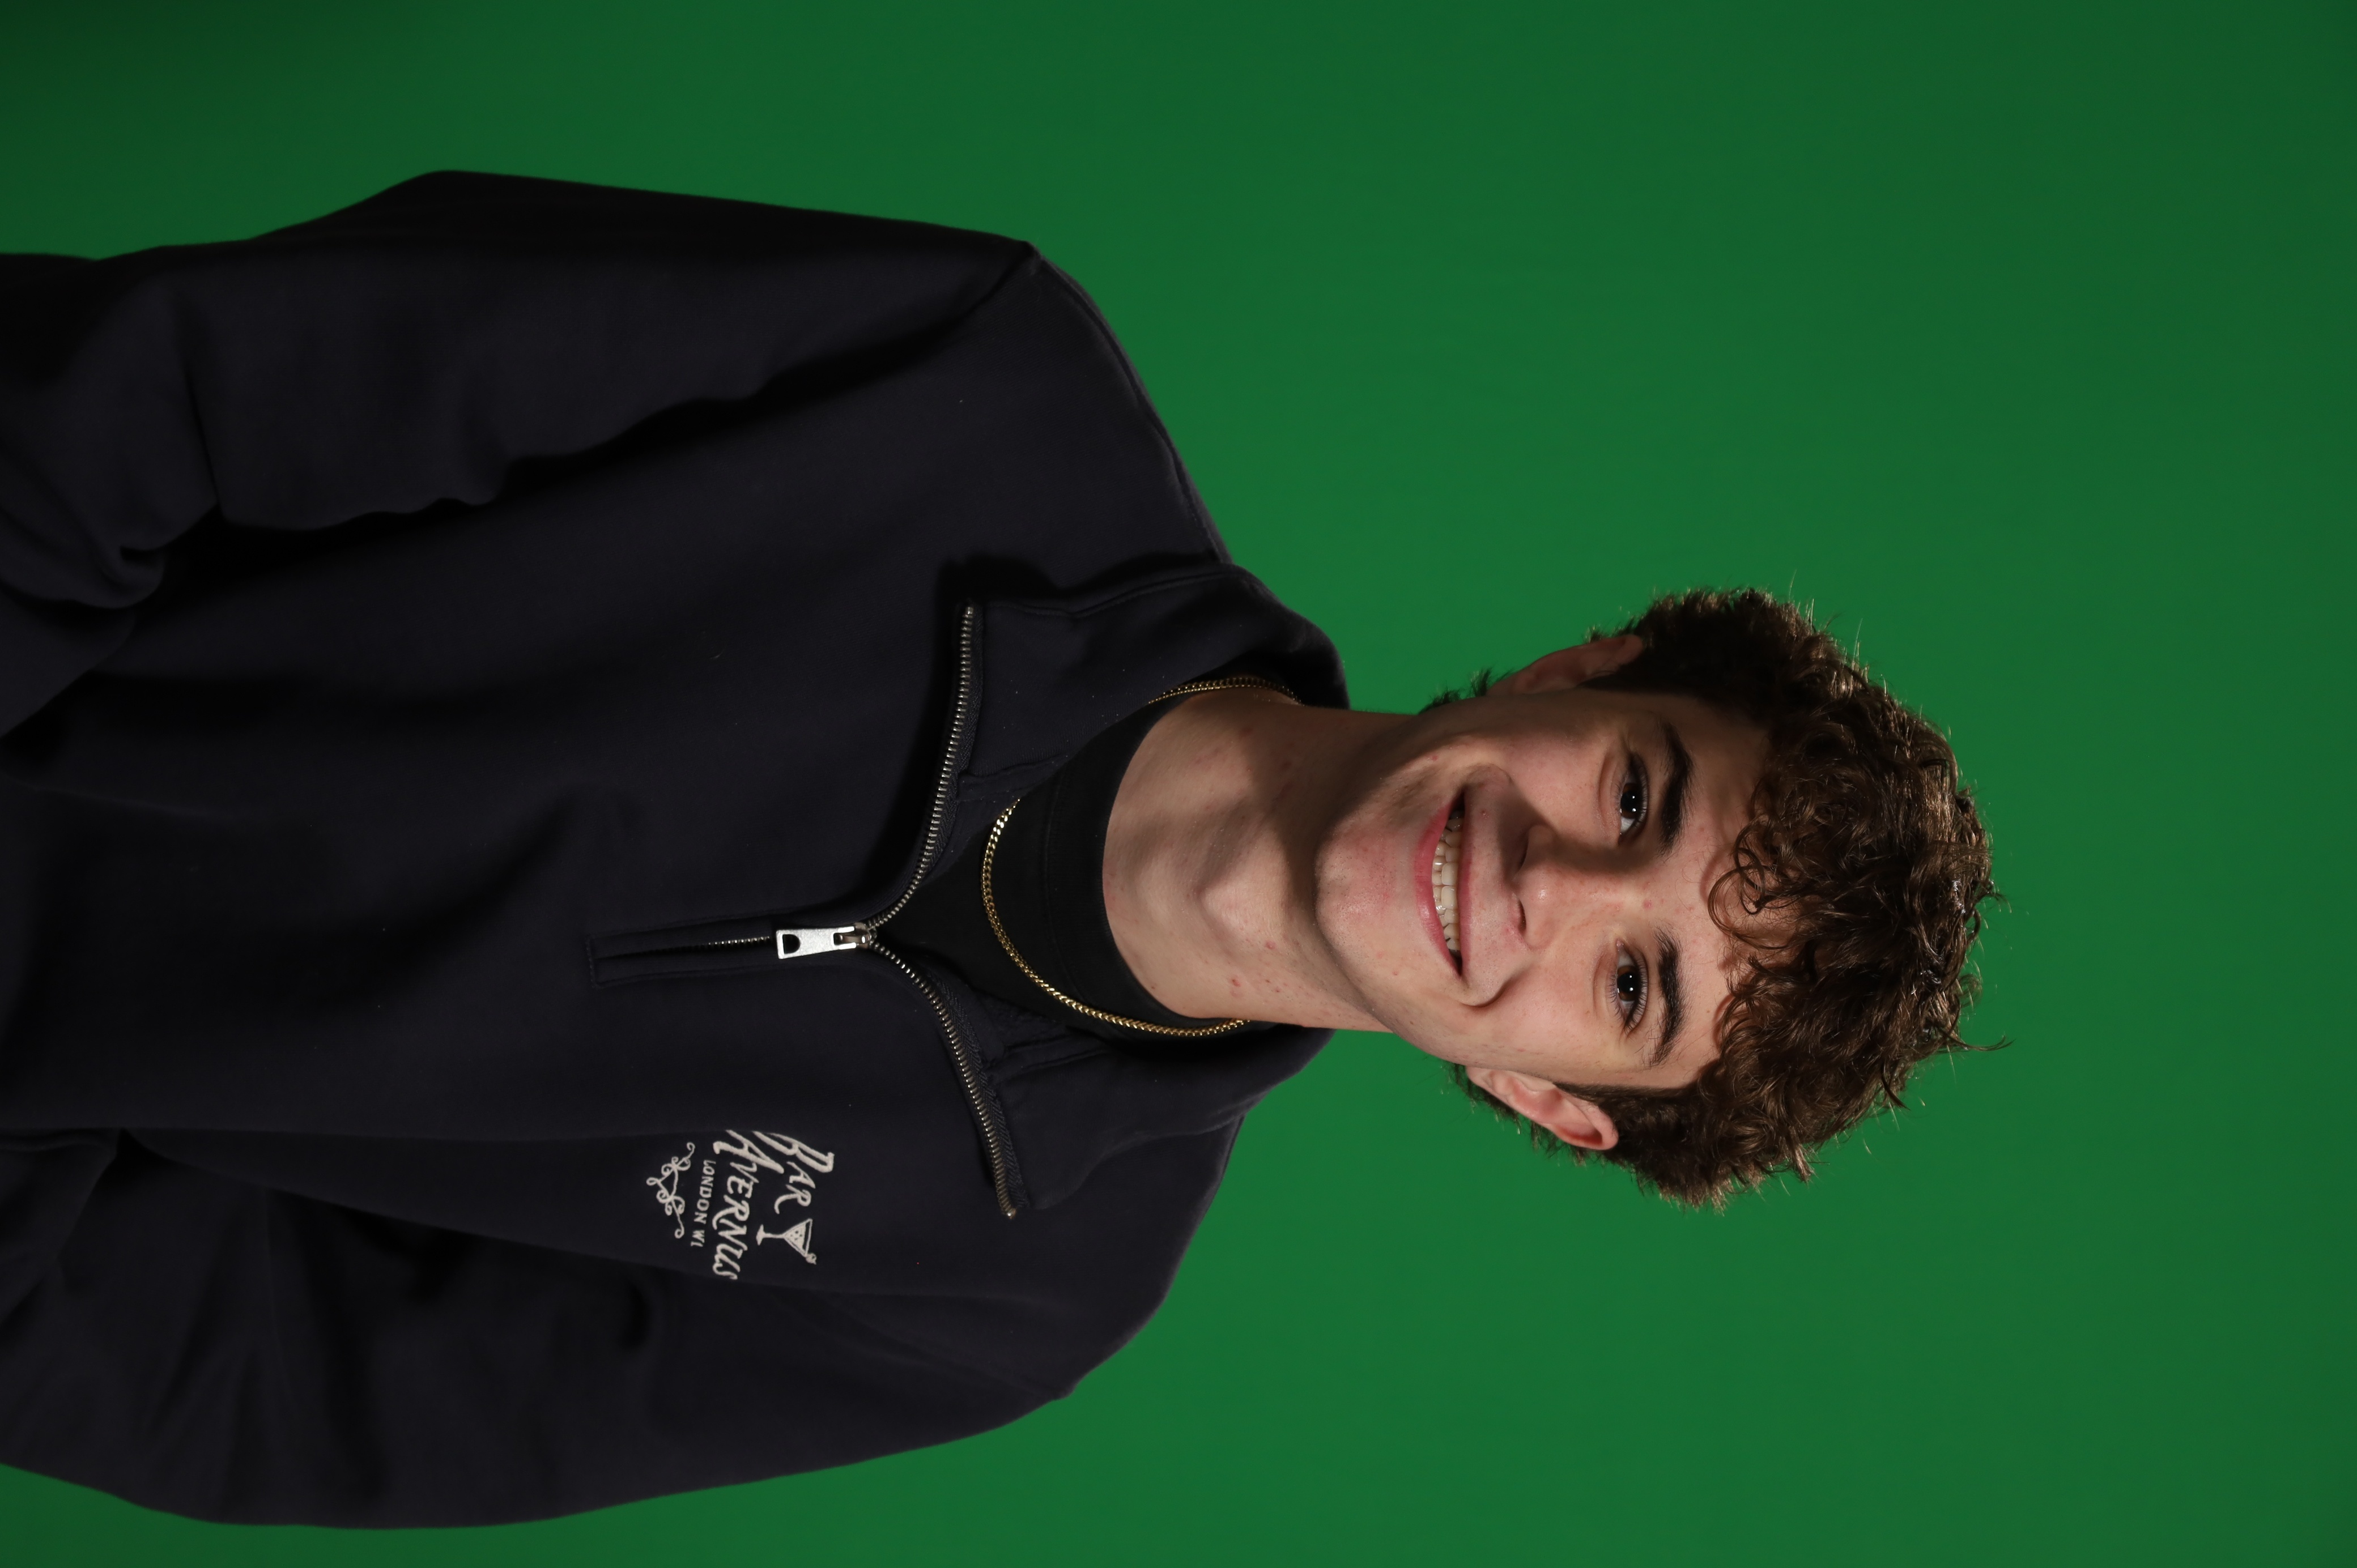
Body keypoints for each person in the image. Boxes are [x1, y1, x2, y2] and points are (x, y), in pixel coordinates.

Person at [0, 173, 1994, 1526]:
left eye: (1633, 985)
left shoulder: (1012, 1302)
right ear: (1585, 669)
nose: (1553, 882)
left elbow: (300, 1392)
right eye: (1638, 794)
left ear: (1554, 1098)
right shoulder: (970, 379)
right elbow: (196, 383)